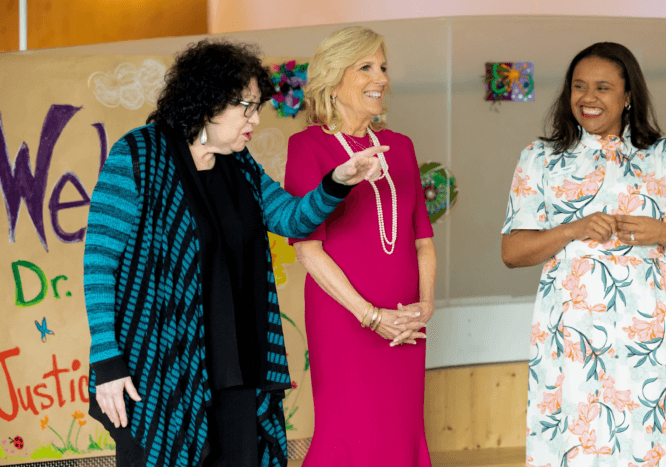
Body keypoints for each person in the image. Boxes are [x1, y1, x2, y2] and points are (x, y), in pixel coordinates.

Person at [83, 38, 387, 467]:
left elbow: (292, 219)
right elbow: (99, 265)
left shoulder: (239, 164)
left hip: (239, 368)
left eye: (258, 106)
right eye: (247, 106)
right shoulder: (139, 155)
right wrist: (107, 363)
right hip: (160, 370)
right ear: (210, 102)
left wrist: (338, 181)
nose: (256, 119)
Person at [502, 42, 666, 466]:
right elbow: (512, 252)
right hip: (573, 333)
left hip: (649, 328)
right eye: (579, 86)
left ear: (629, 96)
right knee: (579, 436)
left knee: (653, 439)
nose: (587, 98)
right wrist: (572, 229)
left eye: (603, 87)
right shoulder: (540, 158)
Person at [284, 27, 436, 466]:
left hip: (406, 321)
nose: (382, 78)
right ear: (334, 80)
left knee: (401, 431)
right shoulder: (307, 147)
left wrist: (423, 308)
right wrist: (371, 317)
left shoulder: (402, 148)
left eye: (383, 67)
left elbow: (423, 242)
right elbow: (308, 250)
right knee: (350, 431)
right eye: (366, 67)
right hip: (345, 320)